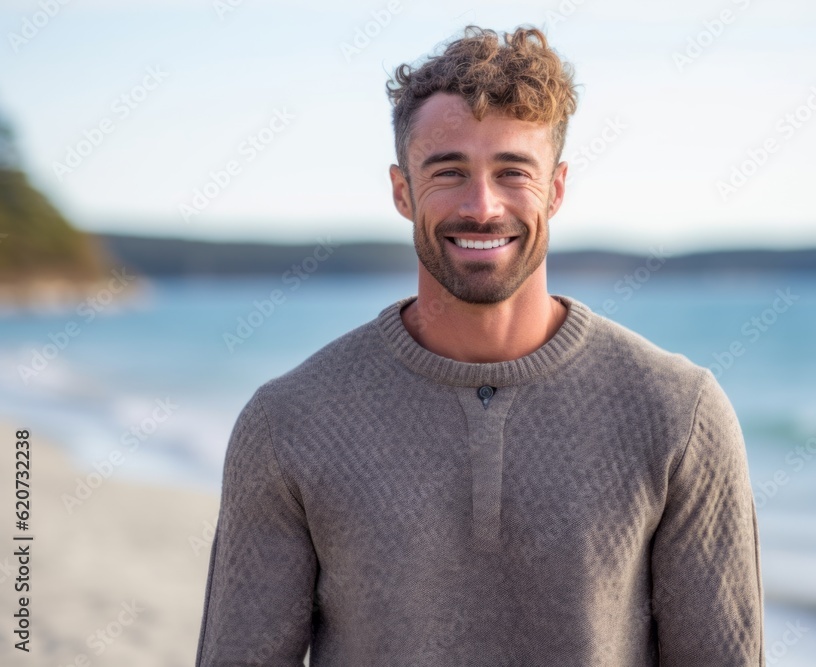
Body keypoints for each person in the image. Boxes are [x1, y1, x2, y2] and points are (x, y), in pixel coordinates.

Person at [196, 25, 764, 666]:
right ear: (402, 191)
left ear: (556, 188)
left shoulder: (680, 415)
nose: (483, 206)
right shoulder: (287, 423)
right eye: (449, 172)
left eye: (512, 171)